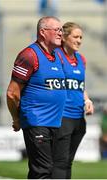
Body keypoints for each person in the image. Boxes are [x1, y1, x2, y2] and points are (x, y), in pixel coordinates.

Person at [6, 16, 67, 179]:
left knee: (54, 172)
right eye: (57, 30)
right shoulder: (29, 55)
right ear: (42, 32)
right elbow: (12, 93)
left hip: (56, 123)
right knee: (42, 171)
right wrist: (17, 118)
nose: (61, 33)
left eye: (62, 30)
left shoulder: (58, 56)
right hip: (37, 122)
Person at [52, 22, 94, 179]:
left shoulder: (81, 59)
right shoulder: (56, 56)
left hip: (79, 118)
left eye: (81, 37)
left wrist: (87, 100)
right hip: (62, 116)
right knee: (60, 162)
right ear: (64, 37)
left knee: (68, 162)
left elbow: (80, 86)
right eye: (75, 36)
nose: (79, 41)